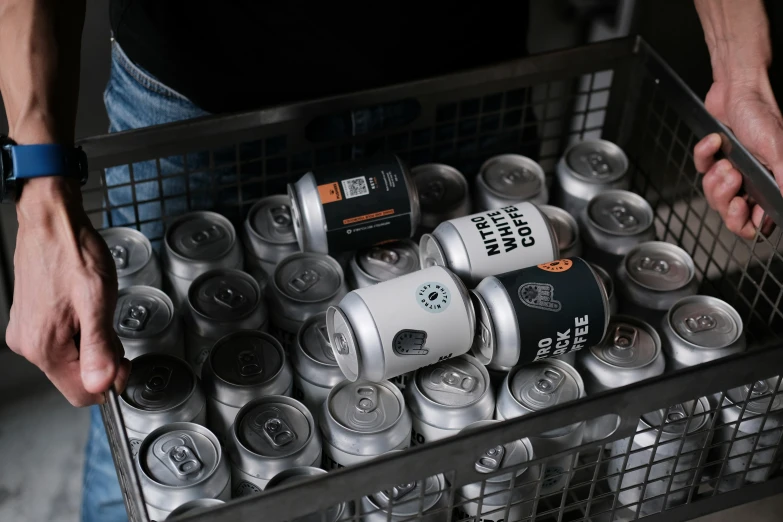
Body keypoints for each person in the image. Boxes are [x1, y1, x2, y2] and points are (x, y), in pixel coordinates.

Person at [0, 0, 780, 521]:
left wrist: (742, 72)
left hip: (468, 87)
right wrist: (37, 186)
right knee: (149, 406)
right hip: (198, 108)